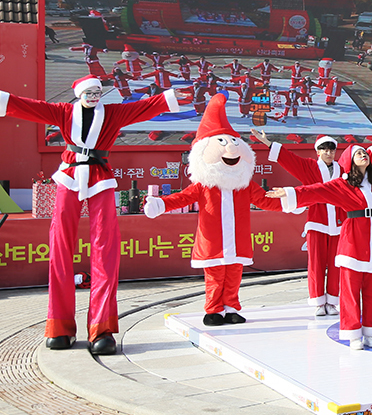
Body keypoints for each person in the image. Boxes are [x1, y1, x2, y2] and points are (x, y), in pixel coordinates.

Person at [0, 76, 182, 354]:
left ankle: (102, 329)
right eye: (89, 92)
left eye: (98, 91)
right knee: (60, 249)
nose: (95, 95)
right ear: (78, 94)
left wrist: (176, 95)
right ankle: (59, 327)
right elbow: (28, 106)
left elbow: (144, 107)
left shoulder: (111, 113)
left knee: (105, 250)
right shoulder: (63, 111)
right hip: (69, 176)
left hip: (101, 177)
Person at [267, 145, 372, 349]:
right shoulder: (342, 185)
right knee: (350, 290)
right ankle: (353, 333)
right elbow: (316, 190)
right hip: (352, 240)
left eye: (365, 152)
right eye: (358, 153)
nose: (363, 155)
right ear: (349, 160)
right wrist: (289, 193)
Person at [145, 94, 283, 326]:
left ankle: (231, 308)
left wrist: (290, 202)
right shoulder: (204, 185)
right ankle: (213, 309)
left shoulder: (244, 184)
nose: (231, 149)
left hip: (238, 240)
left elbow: (264, 200)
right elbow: (182, 198)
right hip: (213, 240)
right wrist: (160, 204)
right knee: (215, 275)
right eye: (222, 143)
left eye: (234, 143)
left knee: (234, 274)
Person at [253, 130, 350, 316]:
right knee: (316, 263)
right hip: (317, 220)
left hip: (338, 222)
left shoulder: (342, 170)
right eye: (325, 149)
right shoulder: (309, 167)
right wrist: (266, 142)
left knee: (336, 263)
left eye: (332, 149)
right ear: (318, 152)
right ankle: (318, 301)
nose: (329, 153)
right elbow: (289, 158)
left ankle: (332, 300)